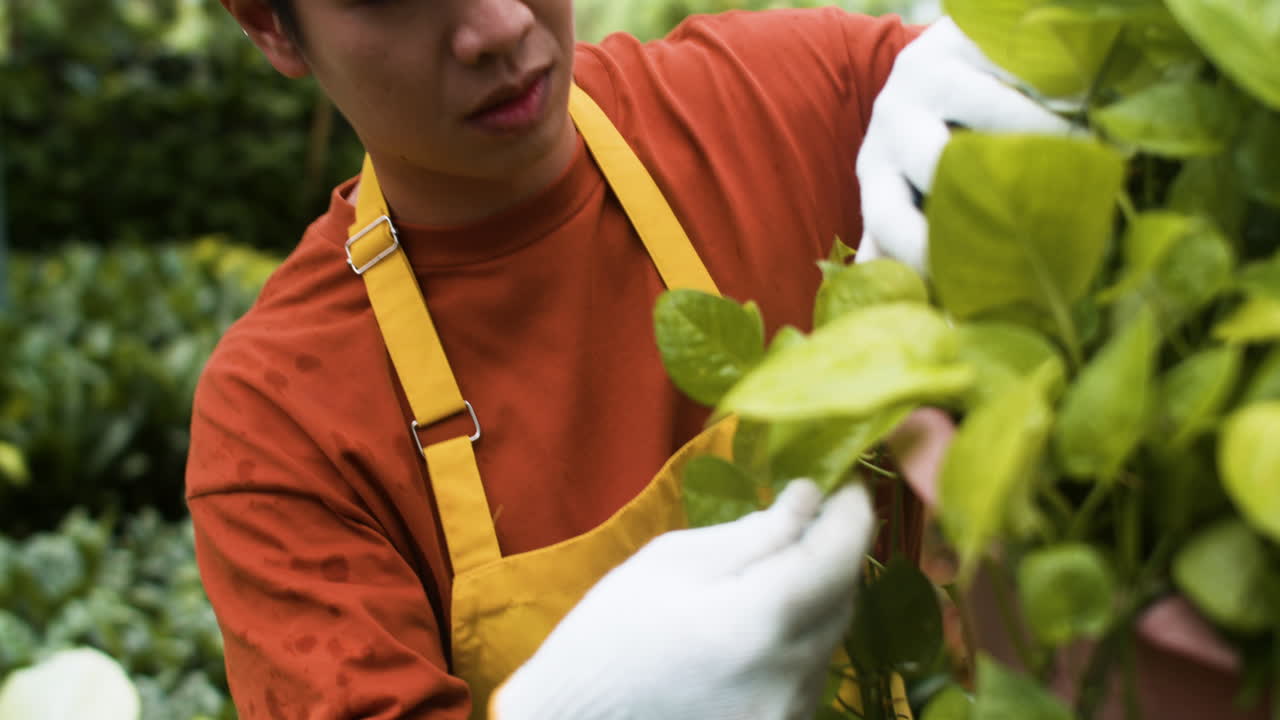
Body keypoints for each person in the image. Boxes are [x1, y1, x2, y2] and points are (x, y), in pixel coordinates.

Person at [188, 2, 1072, 718]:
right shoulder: (278, 428)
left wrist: (1030, 64)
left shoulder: (795, 98)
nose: (496, 26)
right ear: (270, 24)